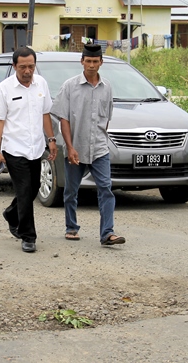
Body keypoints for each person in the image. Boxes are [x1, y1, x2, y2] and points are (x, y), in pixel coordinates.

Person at [51, 44, 125, 246]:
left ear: (101, 62)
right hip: (76, 147)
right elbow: (63, 118)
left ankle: (107, 233)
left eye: (95, 61)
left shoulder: (107, 87)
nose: (92, 65)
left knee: (106, 188)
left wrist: (100, 138)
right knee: (71, 191)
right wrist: (70, 146)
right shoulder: (70, 86)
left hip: (100, 148)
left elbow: (106, 118)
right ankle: (71, 227)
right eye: (88, 61)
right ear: (82, 61)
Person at [0, 46, 58, 253]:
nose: (27, 71)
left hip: (36, 147)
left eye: (31, 66)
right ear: (14, 67)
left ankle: (12, 214)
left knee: (34, 187)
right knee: (24, 189)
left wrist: (51, 139)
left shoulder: (41, 84)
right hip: (13, 148)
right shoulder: (4, 88)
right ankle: (28, 236)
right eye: (23, 67)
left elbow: (45, 113)